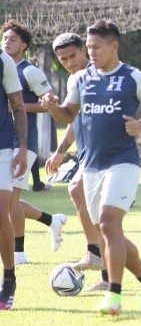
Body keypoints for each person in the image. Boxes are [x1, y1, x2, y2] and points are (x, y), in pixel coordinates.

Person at [42, 20, 141, 315]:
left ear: (114, 46)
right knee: (112, 234)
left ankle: (114, 295)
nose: (91, 52)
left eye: (96, 47)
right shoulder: (80, 81)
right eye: (89, 46)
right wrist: (51, 107)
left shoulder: (135, 78)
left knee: (109, 225)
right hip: (92, 166)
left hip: (123, 161)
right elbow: (68, 115)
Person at [45, 33, 107, 292]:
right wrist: (60, 151)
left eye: (73, 56)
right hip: (86, 152)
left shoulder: (98, 76)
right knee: (102, 219)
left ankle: (93, 251)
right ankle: (108, 278)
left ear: (84, 50)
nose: (69, 62)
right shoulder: (74, 80)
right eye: (63, 59)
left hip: (105, 150)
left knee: (76, 188)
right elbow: (73, 119)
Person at [1, 20, 66, 266]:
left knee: (10, 201)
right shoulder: (2, 67)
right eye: (4, 38)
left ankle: (18, 253)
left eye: (13, 39)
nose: (7, 42)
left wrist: (18, 106)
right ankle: (52, 221)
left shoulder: (29, 71)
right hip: (4, 141)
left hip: (23, 142)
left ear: (24, 45)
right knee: (6, 201)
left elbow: (47, 103)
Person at [0, 49, 28, 310]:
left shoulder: (3, 59)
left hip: (2, 147)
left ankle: (9, 276)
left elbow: (18, 106)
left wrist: (22, 148)